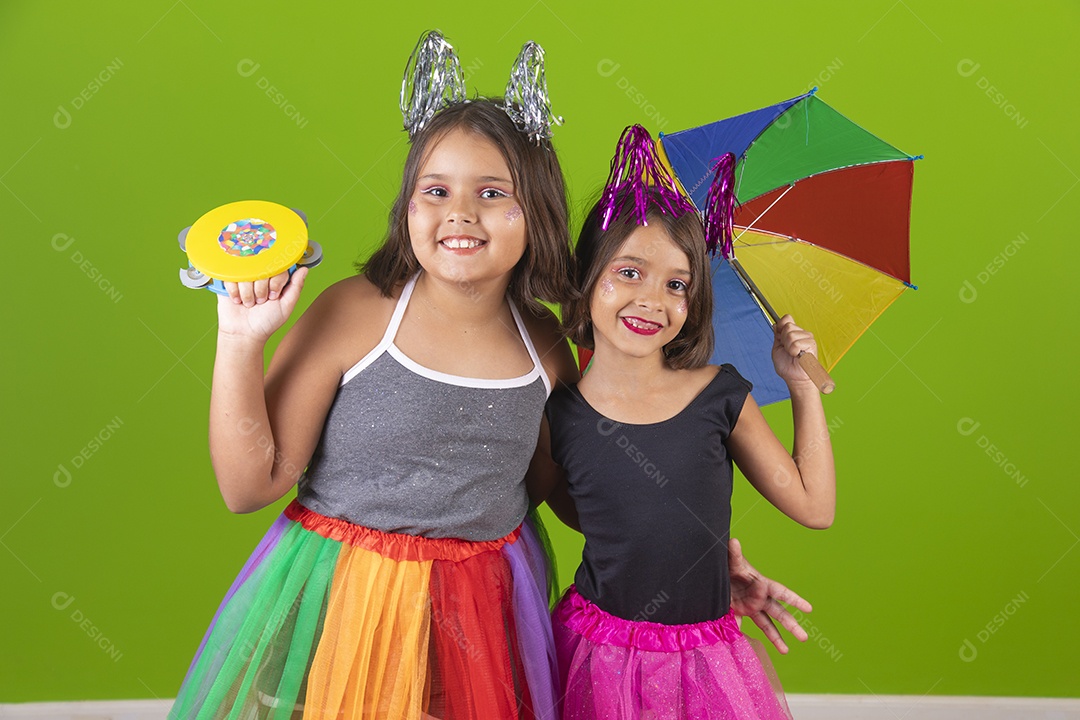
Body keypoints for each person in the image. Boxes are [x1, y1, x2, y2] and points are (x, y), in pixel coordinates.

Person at [171, 32, 812, 718]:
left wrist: (699, 566)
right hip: (345, 604)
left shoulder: (545, 351)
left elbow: (583, 497)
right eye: (436, 189)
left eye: (492, 192)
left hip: (483, 613)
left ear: (533, 212)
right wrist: (239, 343)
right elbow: (248, 487)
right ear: (408, 204)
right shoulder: (354, 313)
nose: (461, 213)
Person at [532, 126, 836, 719]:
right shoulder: (559, 413)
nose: (653, 299)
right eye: (629, 272)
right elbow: (588, 516)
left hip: (705, 656)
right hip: (596, 653)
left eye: (677, 284)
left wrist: (801, 386)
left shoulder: (718, 395)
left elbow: (815, 507)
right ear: (587, 275)